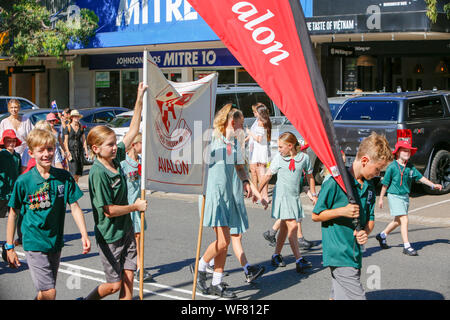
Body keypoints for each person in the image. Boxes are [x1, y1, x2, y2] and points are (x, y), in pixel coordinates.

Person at [4, 128, 91, 300]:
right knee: (50, 292)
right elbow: (13, 213)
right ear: (31, 153)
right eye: (41, 150)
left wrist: (84, 234)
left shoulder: (64, 177)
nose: (46, 154)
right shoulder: (24, 181)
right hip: (33, 241)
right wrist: (9, 246)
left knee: (44, 293)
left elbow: (74, 206)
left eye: (50, 149)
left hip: (55, 242)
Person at [83, 83, 147, 300]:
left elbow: (132, 131)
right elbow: (108, 210)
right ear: (96, 148)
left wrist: (139, 98)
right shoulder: (97, 173)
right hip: (110, 236)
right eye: (110, 144)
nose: (115, 147)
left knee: (129, 279)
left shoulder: (115, 157)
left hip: (126, 229)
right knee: (114, 285)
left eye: (114, 144)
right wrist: (134, 207)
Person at [195, 104, 267, 299]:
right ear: (231, 121)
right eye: (241, 124)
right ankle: (200, 267)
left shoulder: (234, 142)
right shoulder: (212, 138)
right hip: (212, 195)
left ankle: (217, 282)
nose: (243, 128)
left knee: (224, 244)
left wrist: (249, 185)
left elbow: (240, 167)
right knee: (223, 241)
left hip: (227, 195)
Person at [312, 132, 393, 300]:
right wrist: (342, 211)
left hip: (354, 253)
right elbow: (316, 214)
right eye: (377, 169)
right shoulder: (336, 182)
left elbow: (370, 218)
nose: (378, 174)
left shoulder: (369, 186)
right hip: (339, 253)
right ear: (364, 160)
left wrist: (365, 232)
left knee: (339, 297)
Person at [258, 132, 317, 273]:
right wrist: (257, 193)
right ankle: (299, 260)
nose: (278, 150)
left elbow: (310, 176)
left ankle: (276, 255)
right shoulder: (279, 159)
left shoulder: (304, 158)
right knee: (292, 225)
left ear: (290, 146)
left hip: (294, 196)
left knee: (284, 227)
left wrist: (313, 194)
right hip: (282, 196)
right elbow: (267, 176)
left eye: (280, 147)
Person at [376, 140, 442, 256]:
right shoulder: (392, 167)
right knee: (404, 219)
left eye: (409, 151)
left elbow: (421, 178)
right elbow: (385, 184)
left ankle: (382, 235)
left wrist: (433, 185)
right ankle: (407, 246)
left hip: (405, 197)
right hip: (394, 195)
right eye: (405, 151)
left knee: (398, 221)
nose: (407, 153)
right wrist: (381, 198)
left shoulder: (410, 167)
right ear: (397, 153)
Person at [262, 143, 319, 250]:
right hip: (285, 195)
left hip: (293, 196)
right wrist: (261, 193)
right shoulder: (292, 164)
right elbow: (268, 175)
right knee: (293, 217)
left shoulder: (301, 165)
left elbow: (305, 186)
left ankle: (272, 234)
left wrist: (312, 196)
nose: (306, 152)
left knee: (287, 218)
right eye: (304, 150)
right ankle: (299, 239)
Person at [120, 133, 152, 282]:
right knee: (131, 238)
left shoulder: (141, 161)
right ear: (134, 145)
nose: (143, 147)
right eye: (142, 144)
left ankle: (139, 266)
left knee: (139, 237)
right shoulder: (123, 164)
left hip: (139, 204)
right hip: (128, 205)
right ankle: (133, 265)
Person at [246, 104, 271, 202]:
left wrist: (250, 133)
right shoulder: (261, 121)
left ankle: (264, 196)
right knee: (260, 172)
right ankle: (262, 195)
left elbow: (259, 139)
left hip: (260, 149)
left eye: (255, 112)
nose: (254, 113)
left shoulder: (261, 123)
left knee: (262, 173)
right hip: (258, 149)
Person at [0, 130, 22, 218]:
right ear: (4, 142)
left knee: (14, 215)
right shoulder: (1, 155)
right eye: (8, 141)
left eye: (13, 141)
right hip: (2, 191)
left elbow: (19, 172)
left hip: (13, 191)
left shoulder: (17, 156)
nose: (11, 143)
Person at [64, 110, 89, 183]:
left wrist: (86, 151)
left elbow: (84, 140)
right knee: (73, 171)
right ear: (71, 117)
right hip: (71, 151)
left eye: (77, 116)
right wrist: (67, 152)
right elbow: (65, 141)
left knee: (78, 172)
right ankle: (73, 186)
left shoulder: (81, 127)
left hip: (79, 151)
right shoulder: (68, 127)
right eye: (75, 116)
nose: (76, 118)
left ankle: (76, 185)